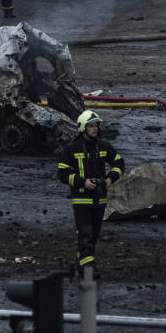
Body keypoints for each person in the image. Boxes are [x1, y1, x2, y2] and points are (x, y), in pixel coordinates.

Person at [57, 110, 124, 277]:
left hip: (100, 200)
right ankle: (89, 271)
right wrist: (82, 182)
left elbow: (119, 163)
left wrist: (109, 179)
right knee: (85, 235)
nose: (95, 129)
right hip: (81, 200)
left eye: (96, 125)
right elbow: (62, 174)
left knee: (93, 236)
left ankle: (81, 264)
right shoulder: (71, 149)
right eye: (91, 126)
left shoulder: (103, 146)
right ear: (82, 127)